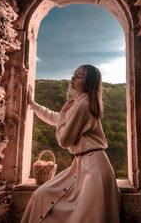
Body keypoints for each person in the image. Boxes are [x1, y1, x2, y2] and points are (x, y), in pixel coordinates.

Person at [21, 64, 121, 223]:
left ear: (88, 84)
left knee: (85, 217)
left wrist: (62, 116)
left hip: (93, 169)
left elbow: (64, 140)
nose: (73, 76)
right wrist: (33, 105)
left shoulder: (83, 105)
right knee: (41, 196)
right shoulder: (79, 103)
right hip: (86, 164)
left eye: (79, 76)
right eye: (74, 73)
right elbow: (56, 118)